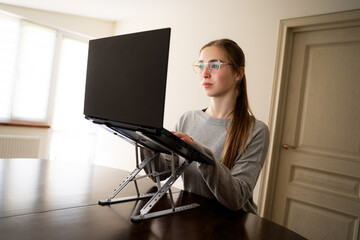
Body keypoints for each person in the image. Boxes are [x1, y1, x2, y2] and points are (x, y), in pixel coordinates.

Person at [141, 39, 269, 214]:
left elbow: (237, 197)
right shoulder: (187, 119)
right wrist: (147, 138)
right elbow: (161, 173)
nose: (205, 73)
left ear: (238, 73)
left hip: (233, 226)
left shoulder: (257, 131)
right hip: (194, 219)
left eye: (214, 65)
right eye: (201, 66)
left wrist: (197, 152)